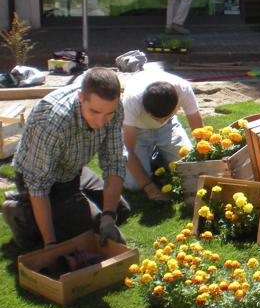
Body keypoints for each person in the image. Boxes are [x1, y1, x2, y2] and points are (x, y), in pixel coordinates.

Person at [2, 68, 129, 251]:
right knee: (96, 232)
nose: (102, 121)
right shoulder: (53, 122)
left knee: (120, 211)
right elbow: (38, 185)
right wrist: (51, 244)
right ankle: (21, 212)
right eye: (94, 111)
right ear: (80, 97)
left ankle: (69, 206)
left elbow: (115, 162)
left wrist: (109, 216)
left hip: (73, 169)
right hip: (39, 178)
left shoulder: (114, 108)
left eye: (108, 114)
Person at [122, 69, 203, 201]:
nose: (160, 121)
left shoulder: (183, 89)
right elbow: (129, 149)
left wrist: (206, 159)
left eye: (165, 116)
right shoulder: (132, 100)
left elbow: (199, 129)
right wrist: (149, 187)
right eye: (155, 117)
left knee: (187, 167)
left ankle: (157, 156)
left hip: (168, 127)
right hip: (137, 131)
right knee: (134, 185)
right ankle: (153, 156)